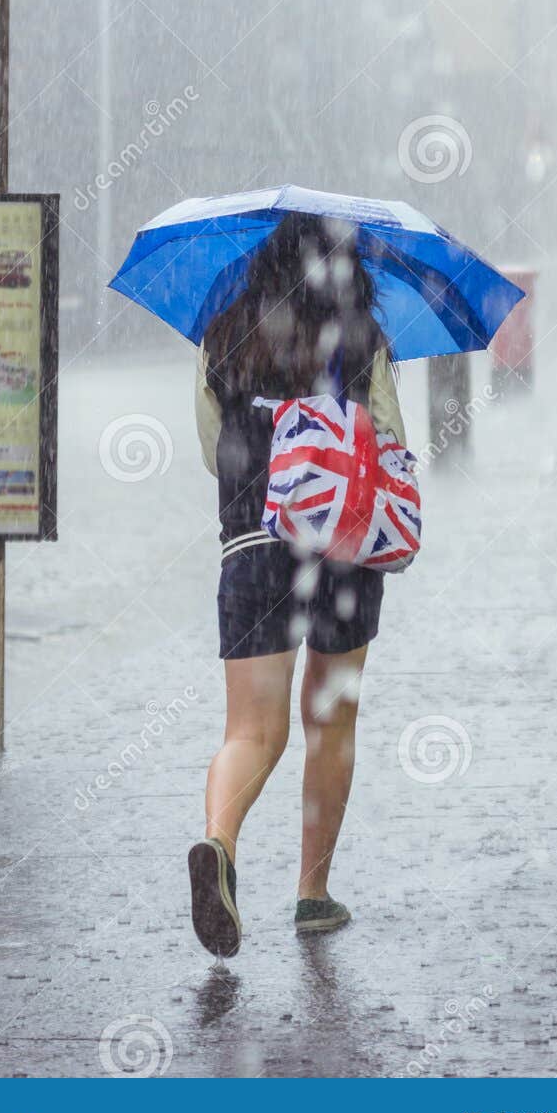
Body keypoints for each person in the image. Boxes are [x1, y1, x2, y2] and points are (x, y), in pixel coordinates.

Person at [188, 212, 406, 958]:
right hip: (342, 549)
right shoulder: (364, 336)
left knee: (251, 731)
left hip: (251, 541)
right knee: (329, 722)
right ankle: (313, 895)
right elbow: (392, 441)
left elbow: (210, 449)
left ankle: (219, 842)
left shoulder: (222, 336)